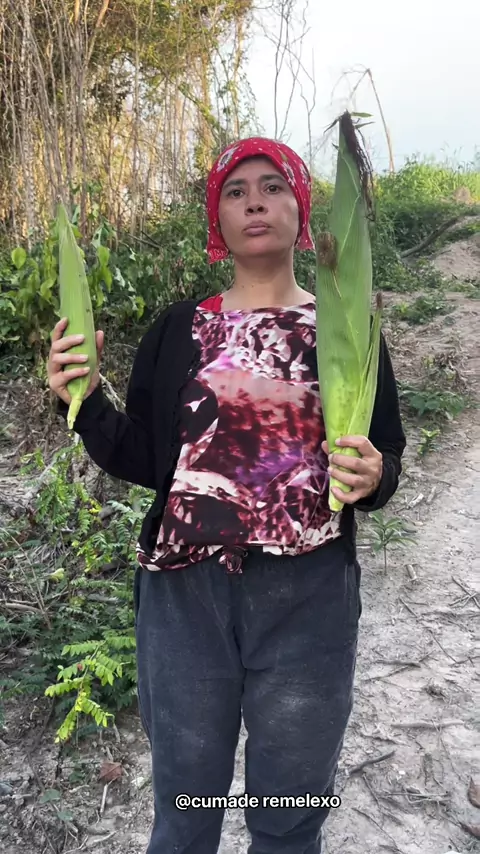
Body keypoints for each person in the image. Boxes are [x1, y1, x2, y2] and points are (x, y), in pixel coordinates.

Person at [47, 137, 406, 854]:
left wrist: (374, 477)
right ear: (219, 218)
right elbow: (146, 457)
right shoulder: (179, 328)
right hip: (185, 599)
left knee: (289, 810)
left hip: (308, 596)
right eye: (236, 191)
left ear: (301, 210)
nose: (254, 203)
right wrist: (78, 400)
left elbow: (383, 451)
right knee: (186, 808)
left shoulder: (346, 328)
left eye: (272, 186)